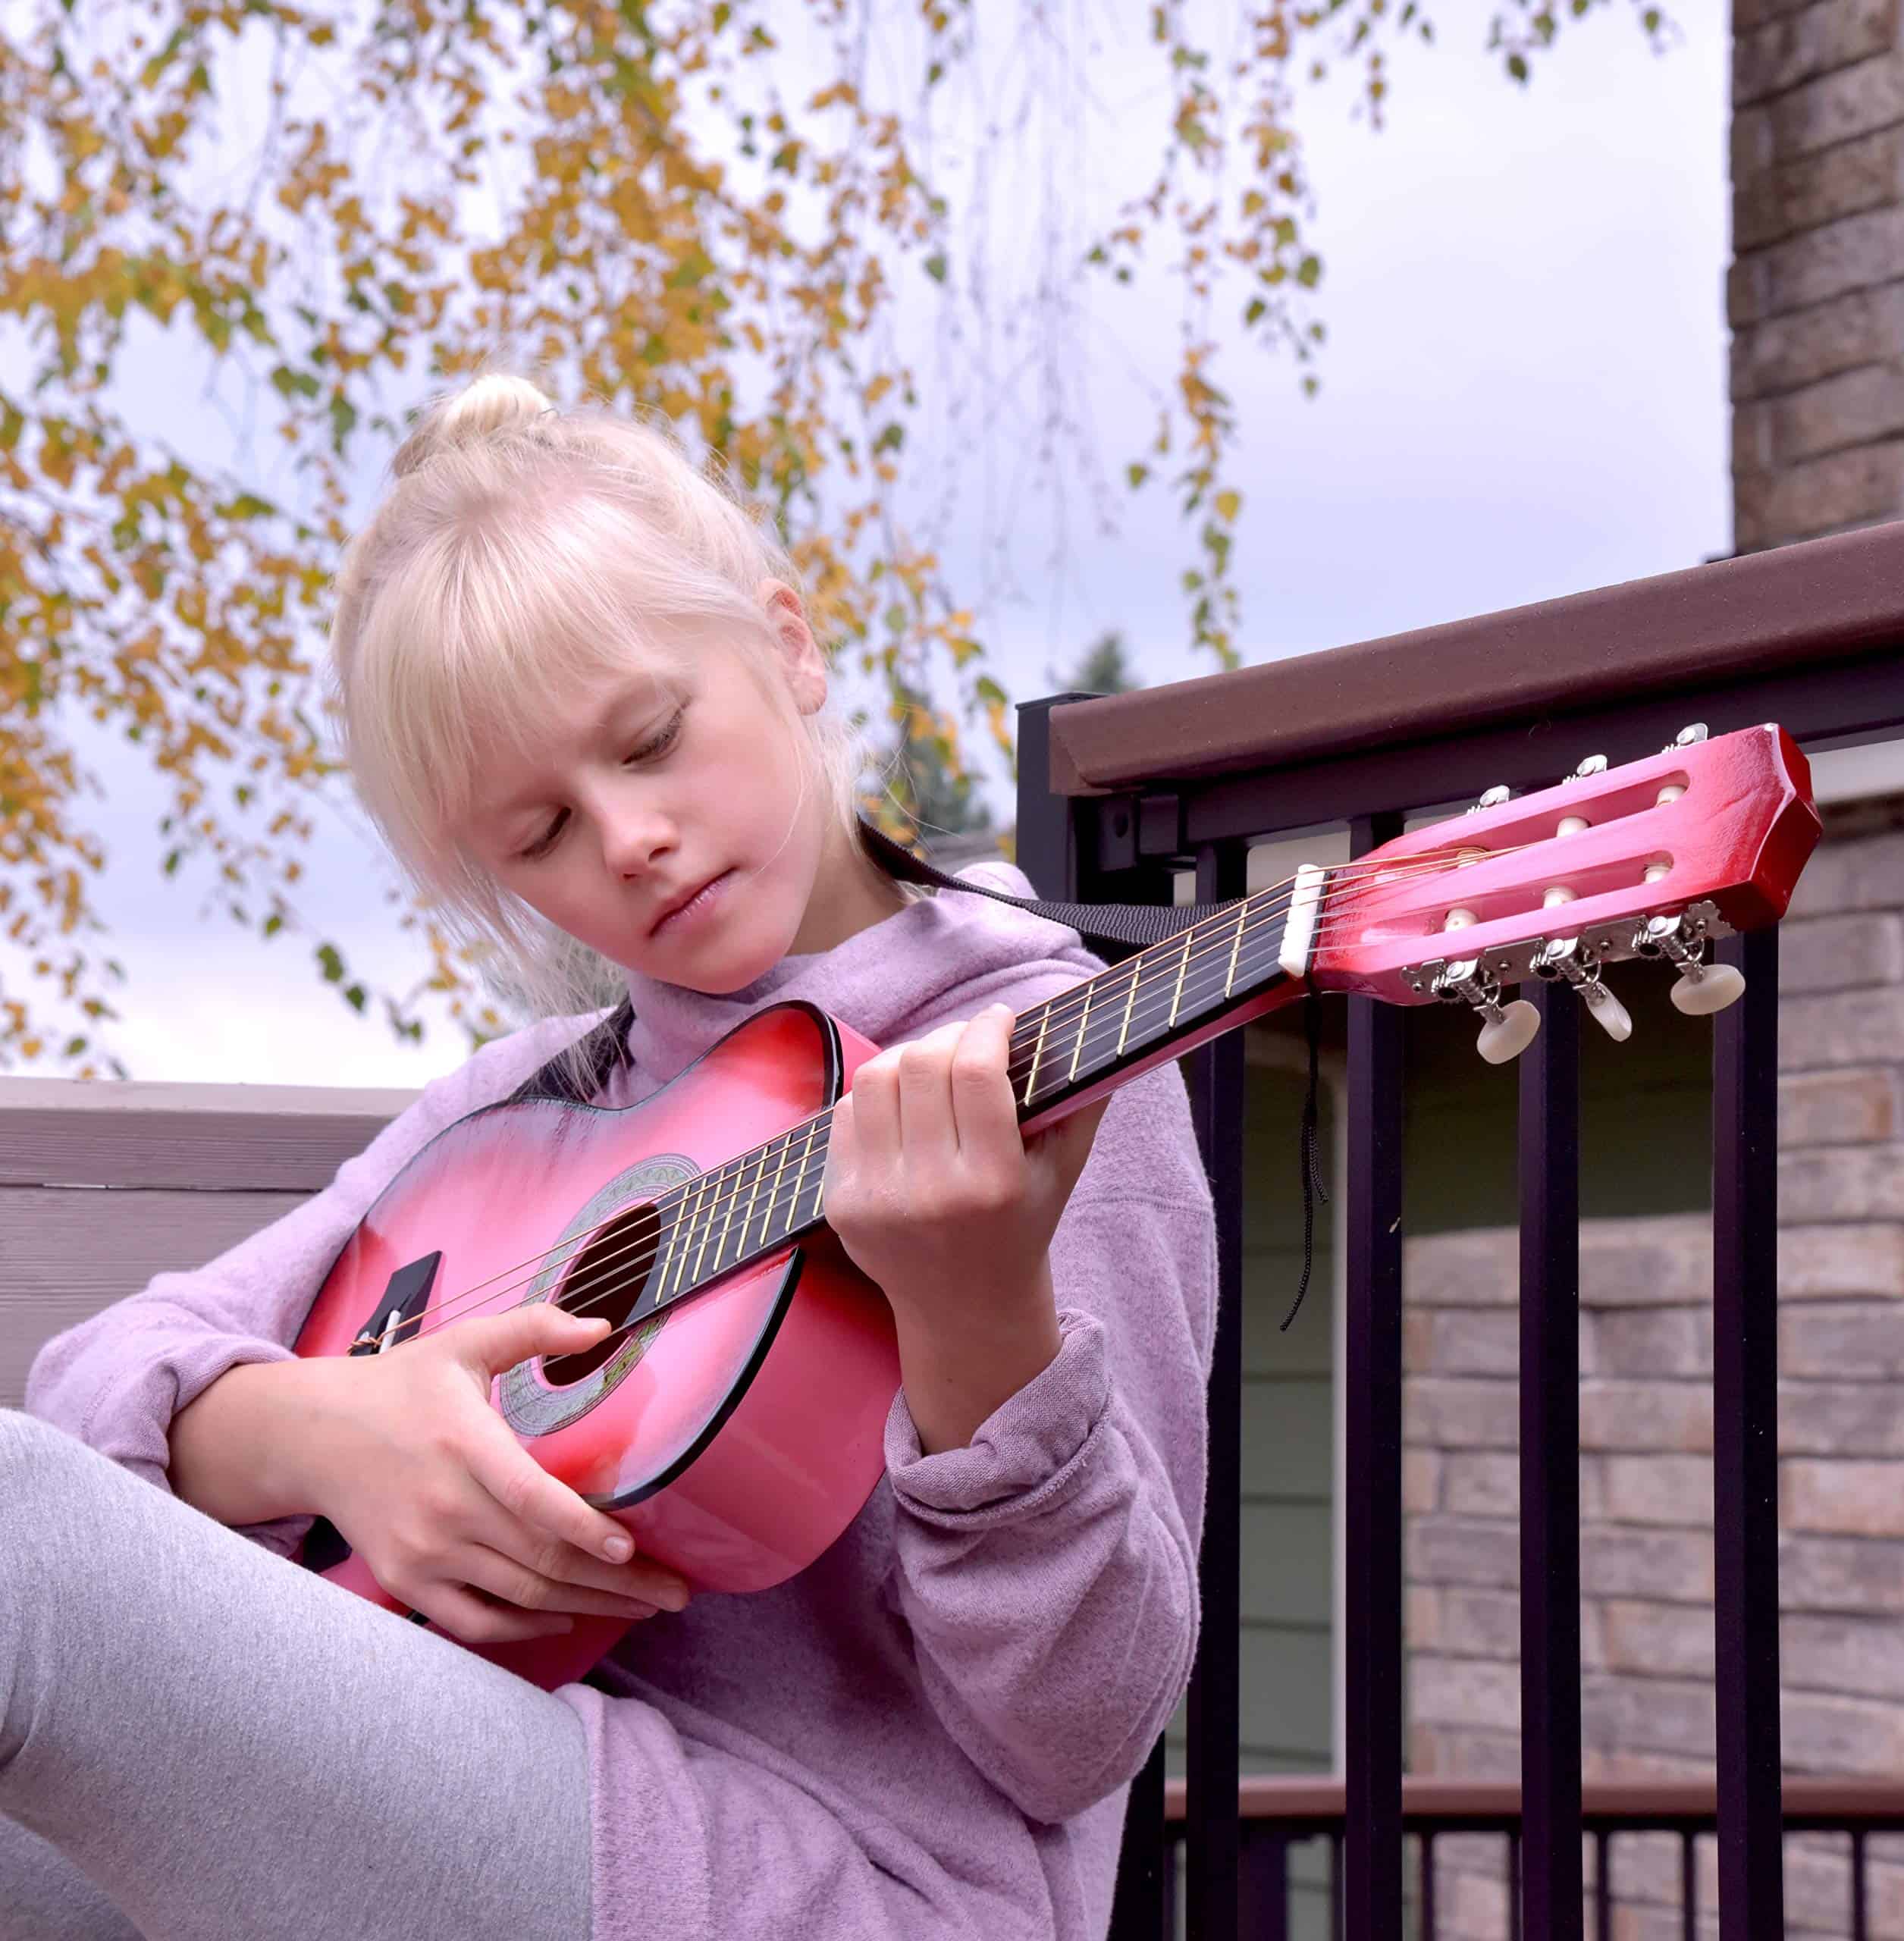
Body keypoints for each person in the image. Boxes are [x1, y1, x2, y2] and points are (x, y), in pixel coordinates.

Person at [1, 373, 1217, 1941]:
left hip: (835, 1883)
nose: (627, 835)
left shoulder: (1046, 1055)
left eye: (649, 738)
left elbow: (1075, 1736)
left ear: (786, 645)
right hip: (458, 1780)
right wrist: (331, 1435)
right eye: (538, 833)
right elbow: (95, 1378)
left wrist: (978, 1325)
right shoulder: (526, 1114)